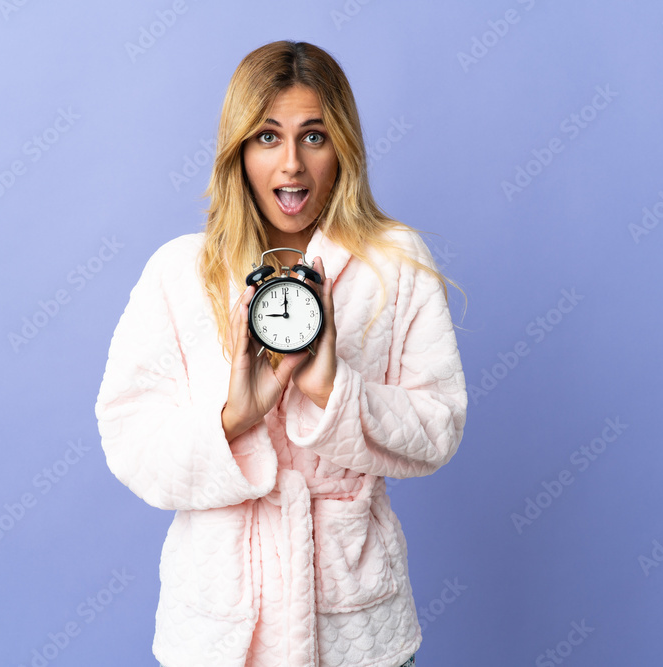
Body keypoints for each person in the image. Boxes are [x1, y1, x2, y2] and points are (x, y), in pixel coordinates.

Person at [96, 40, 466, 667]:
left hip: (355, 625)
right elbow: (131, 443)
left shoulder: (393, 262)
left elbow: (439, 427)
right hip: (221, 631)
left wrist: (333, 391)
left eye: (313, 136)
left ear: (342, 146)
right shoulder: (180, 273)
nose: (291, 164)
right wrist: (232, 418)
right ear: (238, 150)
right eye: (267, 137)